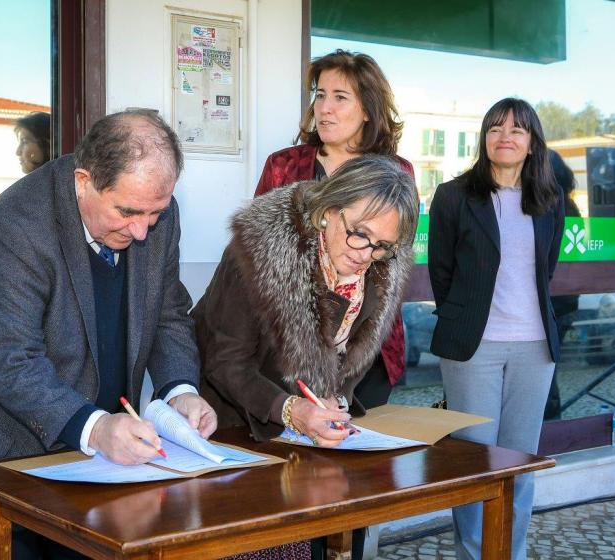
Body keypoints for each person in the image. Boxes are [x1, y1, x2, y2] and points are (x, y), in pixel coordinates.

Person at [0, 109, 217, 559]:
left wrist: (180, 389)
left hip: (94, 449)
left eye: (154, 213)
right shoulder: (17, 224)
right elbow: (10, 357)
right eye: (128, 212)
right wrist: (95, 430)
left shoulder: (156, 210)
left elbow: (167, 310)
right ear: (83, 180)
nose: (141, 231)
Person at [194, 155, 418, 560]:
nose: (367, 254)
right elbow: (225, 361)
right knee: (250, 545)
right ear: (329, 211)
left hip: (303, 445)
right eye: (359, 235)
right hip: (233, 428)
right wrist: (292, 409)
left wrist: (335, 400)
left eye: (382, 245)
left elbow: (349, 359)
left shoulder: (382, 268)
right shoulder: (260, 248)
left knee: (302, 542)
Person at [428, 98, 564, 560]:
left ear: (532, 144)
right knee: (474, 462)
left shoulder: (549, 200)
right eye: (495, 127)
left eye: (518, 130)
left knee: (519, 462)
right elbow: (440, 272)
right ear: (484, 137)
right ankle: (475, 553)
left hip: (534, 347)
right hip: (474, 347)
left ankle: (512, 552)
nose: (505, 136)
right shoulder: (453, 196)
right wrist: (462, 318)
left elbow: (547, 269)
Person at [254, 49, 413, 411]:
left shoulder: (396, 173)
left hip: (364, 351)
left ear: (368, 109)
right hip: (289, 350)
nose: (324, 107)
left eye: (340, 97)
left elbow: (392, 261)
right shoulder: (284, 166)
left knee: (365, 459)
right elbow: (256, 257)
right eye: (320, 95)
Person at [544, 150, 580, 420]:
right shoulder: (570, 205)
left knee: (545, 368)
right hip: (566, 301)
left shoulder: (552, 206)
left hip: (554, 302)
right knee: (548, 366)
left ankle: (549, 421)